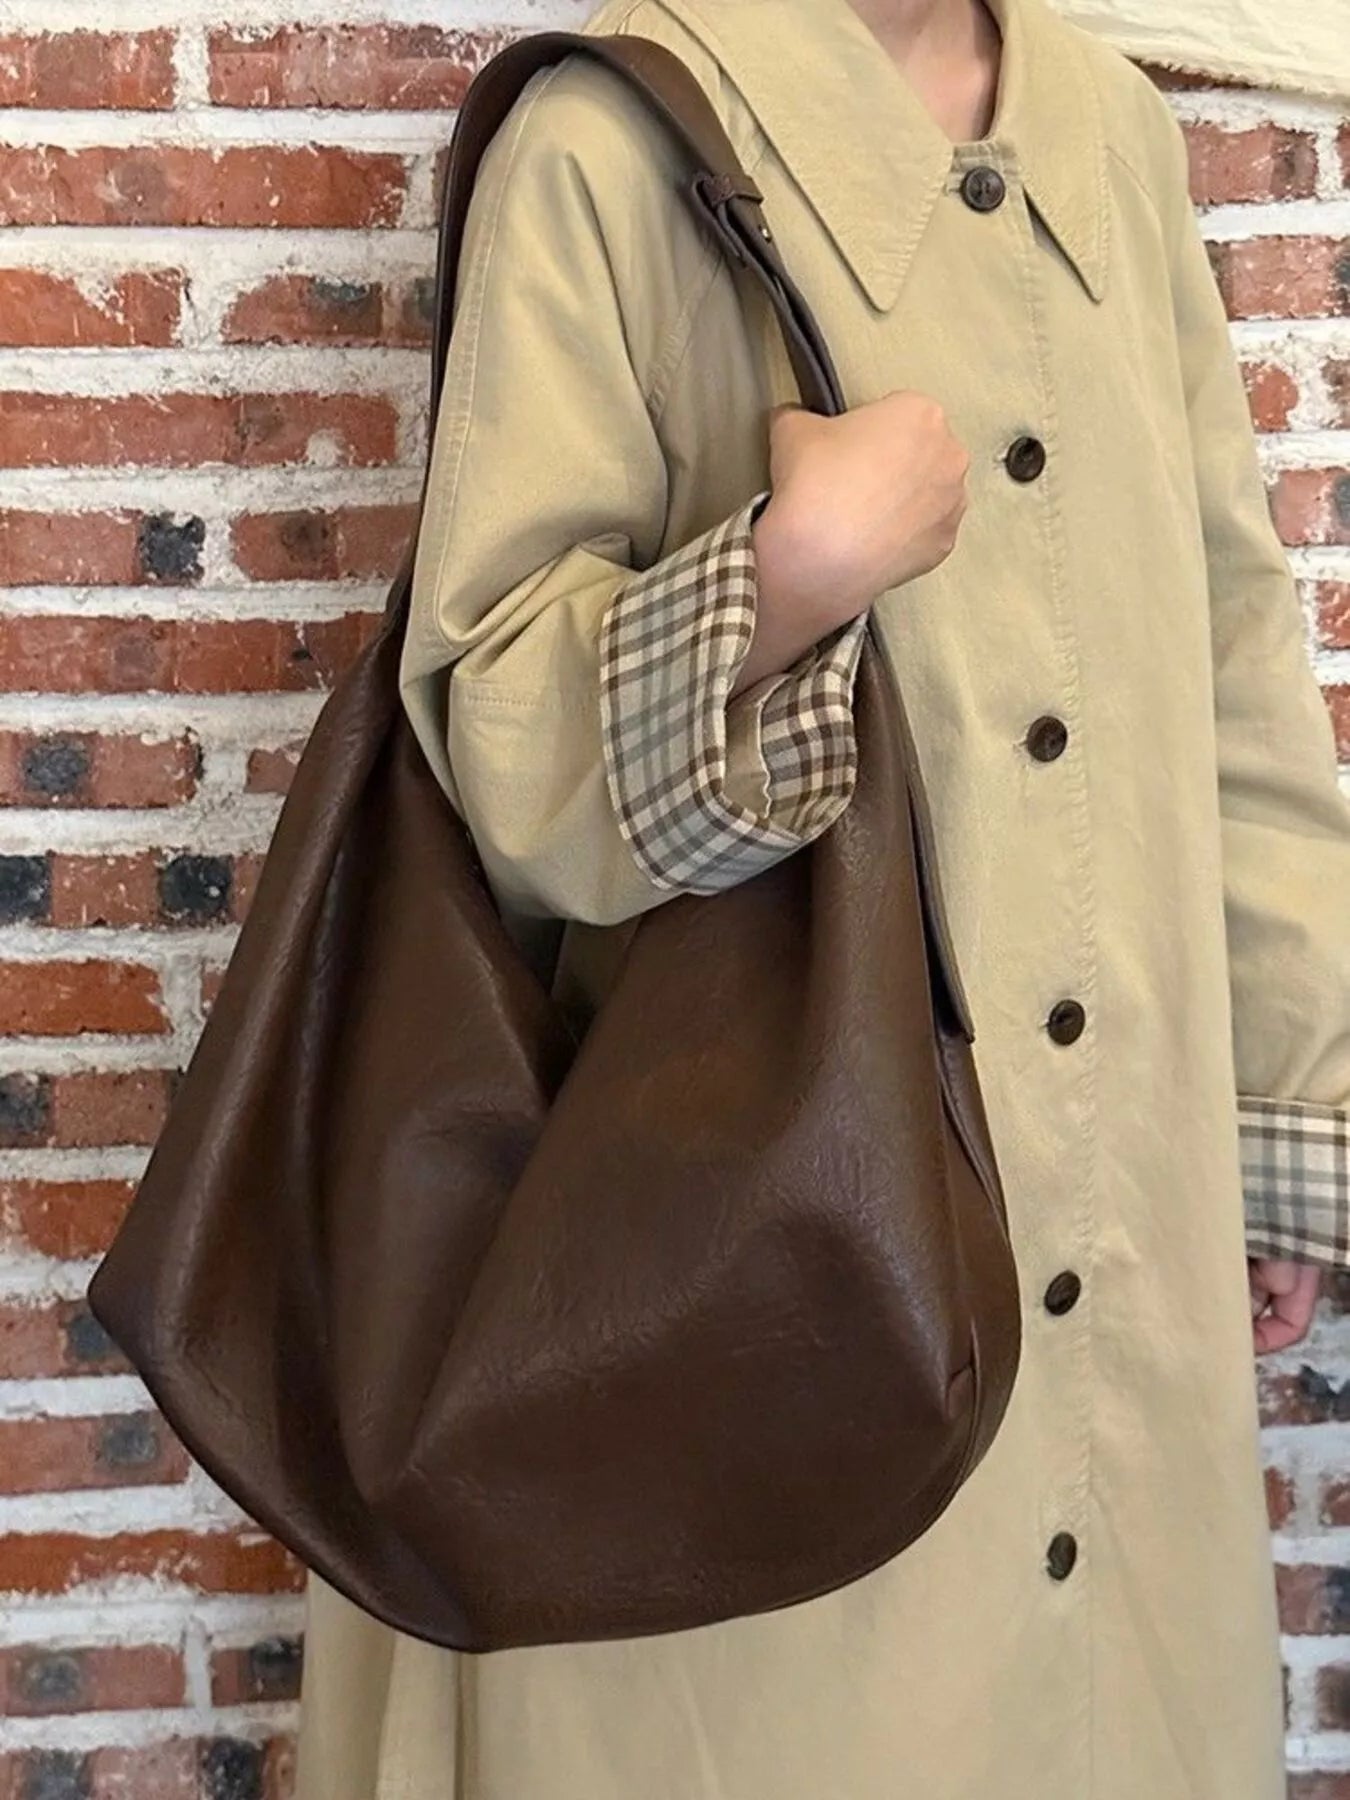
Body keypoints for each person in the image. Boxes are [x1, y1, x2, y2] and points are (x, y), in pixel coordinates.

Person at [294, 0, 1350, 1792]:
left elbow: (1234, 648)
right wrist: (788, 579)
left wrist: (1282, 1110)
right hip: (762, 1264)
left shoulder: (1112, 133)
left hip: (1112, 1206)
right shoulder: (607, 140)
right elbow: (500, 753)